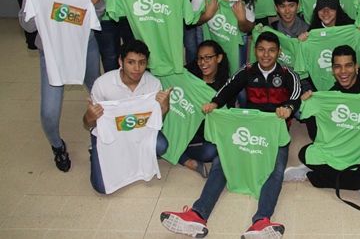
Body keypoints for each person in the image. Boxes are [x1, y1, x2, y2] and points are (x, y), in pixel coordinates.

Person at [160, 31, 301, 239]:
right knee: (221, 163)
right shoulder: (247, 70)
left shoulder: (288, 73)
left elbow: (296, 95)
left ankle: (261, 221)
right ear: (255, 51)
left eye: (271, 51)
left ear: (279, 52)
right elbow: (229, 87)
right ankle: (197, 214)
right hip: (247, 127)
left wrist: (288, 107)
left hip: (274, 131)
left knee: (275, 170)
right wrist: (214, 103)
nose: (266, 55)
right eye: (261, 50)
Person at [19, 0, 104, 172]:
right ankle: (57, 146)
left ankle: (105, 135)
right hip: (52, 52)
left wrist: (97, 3)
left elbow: (97, 16)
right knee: (49, 111)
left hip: (84, 47)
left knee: (98, 91)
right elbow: (27, 26)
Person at [284, 44, 360, 204]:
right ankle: (355, 181)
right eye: (338, 67)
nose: (343, 72)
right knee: (304, 153)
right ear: (332, 70)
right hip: (342, 147)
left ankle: (313, 176)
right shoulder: (332, 95)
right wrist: (312, 106)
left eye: (348, 65)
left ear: (356, 66)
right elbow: (317, 136)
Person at [83, 40, 171, 193]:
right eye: (131, 62)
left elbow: (155, 123)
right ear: (120, 62)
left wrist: (164, 108)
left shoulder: (154, 84)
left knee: (161, 146)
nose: (137, 68)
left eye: (141, 62)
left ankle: (132, 155)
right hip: (109, 136)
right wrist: (89, 116)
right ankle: (98, 153)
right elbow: (90, 124)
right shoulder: (102, 84)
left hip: (139, 133)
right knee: (101, 187)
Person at [181, 40, 231, 176]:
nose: (203, 63)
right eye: (200, 58)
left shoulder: (226, 87)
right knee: (163, 138)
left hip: (206, 133)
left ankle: (179, 153)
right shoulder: (187, 75)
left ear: (219, 58)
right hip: (184, 126)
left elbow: (225, 120)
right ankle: (185, 159)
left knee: (210, 152)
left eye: (208, 58)